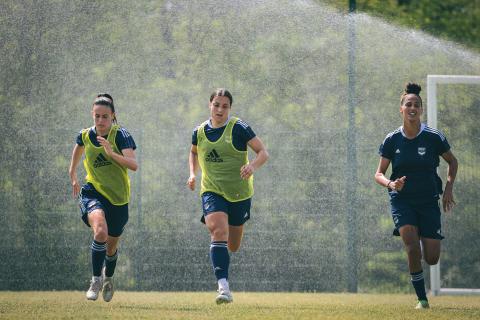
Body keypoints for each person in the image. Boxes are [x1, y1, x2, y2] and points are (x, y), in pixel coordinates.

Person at [375, 83, 458, 309]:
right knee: (411, 247)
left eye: (416, 105)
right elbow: (378, 174)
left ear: (421, 110)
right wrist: (392, 184)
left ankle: (422, 239)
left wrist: (448, 188)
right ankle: (422, 299)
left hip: (429, 200)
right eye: (408, 104)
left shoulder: (433, 137)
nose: (412, 108)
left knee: (431, 258)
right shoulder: (392, 139)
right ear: (401, 109)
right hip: (402, 200)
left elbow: (452, 161)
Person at [187, 89, 269, 304]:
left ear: (230, 108)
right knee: (218, 231)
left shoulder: (239, 128)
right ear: (209, 105)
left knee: (233, 245)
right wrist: (192, 174)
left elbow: (263, 152)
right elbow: (194, 151)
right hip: (212, 190)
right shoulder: (199, 131)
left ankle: (224, 272)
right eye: (216, 105)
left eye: (224, 106)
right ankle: (223, 287)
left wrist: (251, 166)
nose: (220, 109)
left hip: (240, 193)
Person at [68, 93, 138, 302]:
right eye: (96, 116)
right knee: (100, 231)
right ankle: (96, 279)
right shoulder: (85, 135)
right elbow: (77, 151)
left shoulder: (120, 135)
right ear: (92, 115)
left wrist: (111, 153)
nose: (100, 121)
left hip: (118, 198)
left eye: (105, 117)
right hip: (93, 192)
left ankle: (108, 278)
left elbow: (133, 165)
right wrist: (72, 174)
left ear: (113, 116)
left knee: (112, 246)